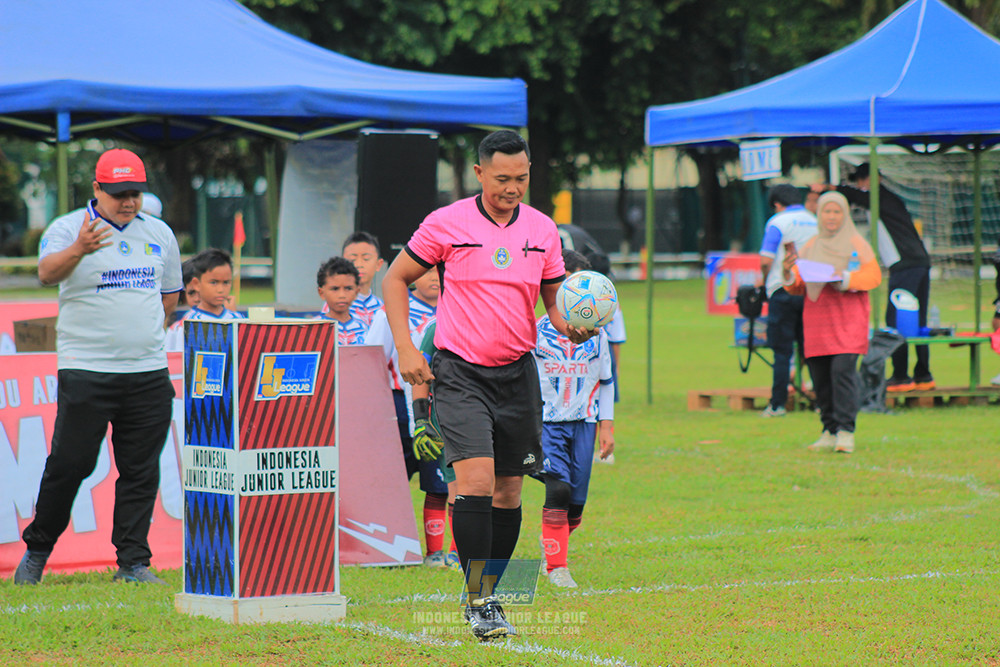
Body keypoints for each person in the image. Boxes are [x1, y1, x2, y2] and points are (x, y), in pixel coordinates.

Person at [382, 130, 592, 641]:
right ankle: (480, 601)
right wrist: (407, 348)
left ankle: (488, 591)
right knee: (475, 482)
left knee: (509, 490)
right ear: (479, 174)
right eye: (501, 179)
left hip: (518, 373)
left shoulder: (543, 229)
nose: (512, 188)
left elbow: (553, 304)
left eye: (521, 178)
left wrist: (572, 325)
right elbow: (394, 279)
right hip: (460, 373)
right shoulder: (446, 223)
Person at [14, 148, 182, 585]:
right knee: (70, 464)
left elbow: (169, 296)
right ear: (96, 189)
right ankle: (37, 552)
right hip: (86, 369)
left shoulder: (159, 233)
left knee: (140, 469)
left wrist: (142, 334)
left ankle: (133, 563)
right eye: (119, 193)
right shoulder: (68, 228)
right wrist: (79, 249)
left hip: (147, 372)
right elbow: (46, 274)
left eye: (135, 193)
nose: (128, 201)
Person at [534, 249, 615, 588]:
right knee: (559, 489)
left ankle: (552, 545)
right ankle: (558, 568)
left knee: (576, 506)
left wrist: (606, 426)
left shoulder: (599, 336)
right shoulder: (535, 331)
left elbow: (606, 382)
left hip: (584, 424)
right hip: (546, 425)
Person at [783, 192, 882, 455]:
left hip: (849, 324)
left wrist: (845, 278)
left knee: (842, 374)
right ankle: (829, 430)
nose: (831, 216)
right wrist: (787, 270)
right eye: (826, 211)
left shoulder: (857, 243)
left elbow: (873, 277)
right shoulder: (811, 245)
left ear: (845, 215)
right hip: (818, 324)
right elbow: (797, 284)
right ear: (819, 214)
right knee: (821, 379)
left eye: (837, 211)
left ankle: (846, 431)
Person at [822, 163, 934, 392]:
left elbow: (855, 196)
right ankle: (923, 375)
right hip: (917, 263)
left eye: (861, 181)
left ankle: (901, 376)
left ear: (872, 180)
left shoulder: (880, 197)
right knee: (917, 321)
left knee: (896, 321)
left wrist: (830, 188)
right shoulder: (886, 199)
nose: (859, 186)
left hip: (906, 264)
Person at [758, 184, 817, 417]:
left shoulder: (778, 222)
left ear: (776, 204)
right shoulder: (814, 220)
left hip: (782, 290)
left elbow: (766, 260)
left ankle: (778, 404)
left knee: (782, 352)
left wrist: (764, 282)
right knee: (811, 350)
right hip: (810, 291)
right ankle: (820, 402)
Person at [178, 248, 244, 322]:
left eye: (226, 282)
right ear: (196, 284)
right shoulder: (187, 323)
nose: (220, 290)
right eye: (214, 283)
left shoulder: (239, 320)